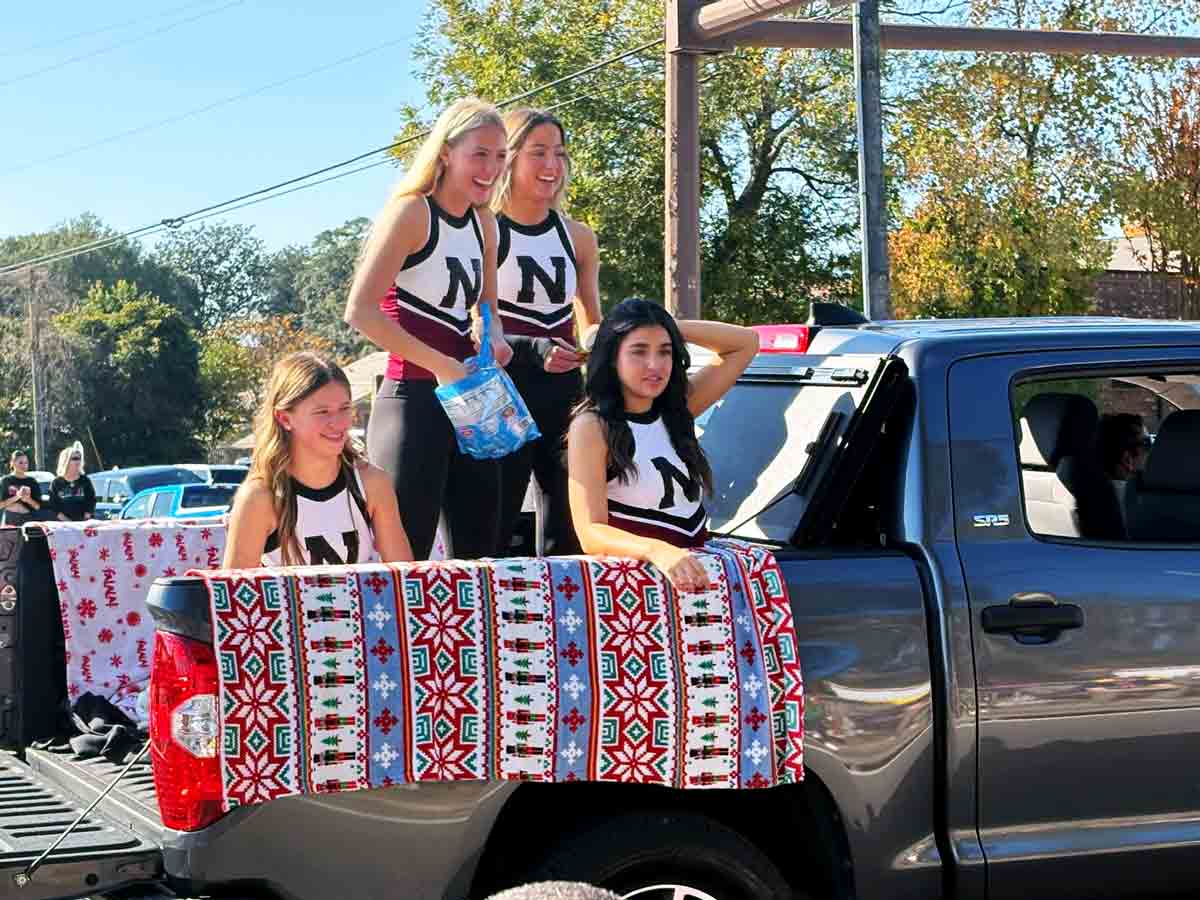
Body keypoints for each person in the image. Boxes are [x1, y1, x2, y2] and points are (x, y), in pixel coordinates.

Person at [345, 97, 513, 561]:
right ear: (445, 152)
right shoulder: (411, 212)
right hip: (413, 402)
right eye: (479, 154)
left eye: (500, 157)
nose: (491, 168)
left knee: (483, 554)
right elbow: (360, 311)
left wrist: (494, 336)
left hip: (474, 402)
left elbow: (488, 307)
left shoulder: (485, 223)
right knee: (404, 559)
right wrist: (441, 365)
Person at [566, 299, 759, 591]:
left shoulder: (678, 408)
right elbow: (590, 532)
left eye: (664, 352)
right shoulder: (592, 426)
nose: (654, 365)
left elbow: (746, 342)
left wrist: (663, 325)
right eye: (638, 351)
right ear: (611, 357)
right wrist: (659, 551)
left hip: (695, 584)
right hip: (634, 592)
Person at [492, 108, 601, 556]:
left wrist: (598, 347)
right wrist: (530, 350)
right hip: (502, 391)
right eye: (537, 153)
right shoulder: (483, 230)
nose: (551, 165)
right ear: (509, 158)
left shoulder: (577, 236)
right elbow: (467, 324)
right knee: (495, 520)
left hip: (564, 391)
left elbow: (590, 320)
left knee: (569, 521)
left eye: (559, 153)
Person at [224, 352, 413, 568]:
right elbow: (235, 595)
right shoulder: (259, 497)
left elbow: (404, 579)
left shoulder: (372, 483)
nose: (338, 423)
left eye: (344, 409)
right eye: (322, 412)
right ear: (284, 418)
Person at [1097, 412, 1151, 520]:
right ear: (1127, 459)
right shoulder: (1141, 505)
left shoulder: (1081, 493)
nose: (1153, 451)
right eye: (1147, 444)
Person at [49, 442, 96, 522]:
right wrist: (68, 522)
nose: (78, 461)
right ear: (66, 461)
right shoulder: (56, 483)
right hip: (63, 526)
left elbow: (91, 501)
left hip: (84, 524)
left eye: (79, 458)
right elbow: (54, 507)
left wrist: (85, 518)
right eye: (75, 459)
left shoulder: (85, 480)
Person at [0, 450, 42, 526]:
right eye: (20, 462)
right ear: (12, 463)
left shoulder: (32, 481)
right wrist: (17, 496)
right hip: (10, 518)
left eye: (26, 463)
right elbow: (1, 505)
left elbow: (38, 506)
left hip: (27, 518)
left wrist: (28, 499)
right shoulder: (5, 480)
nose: (24, 465)